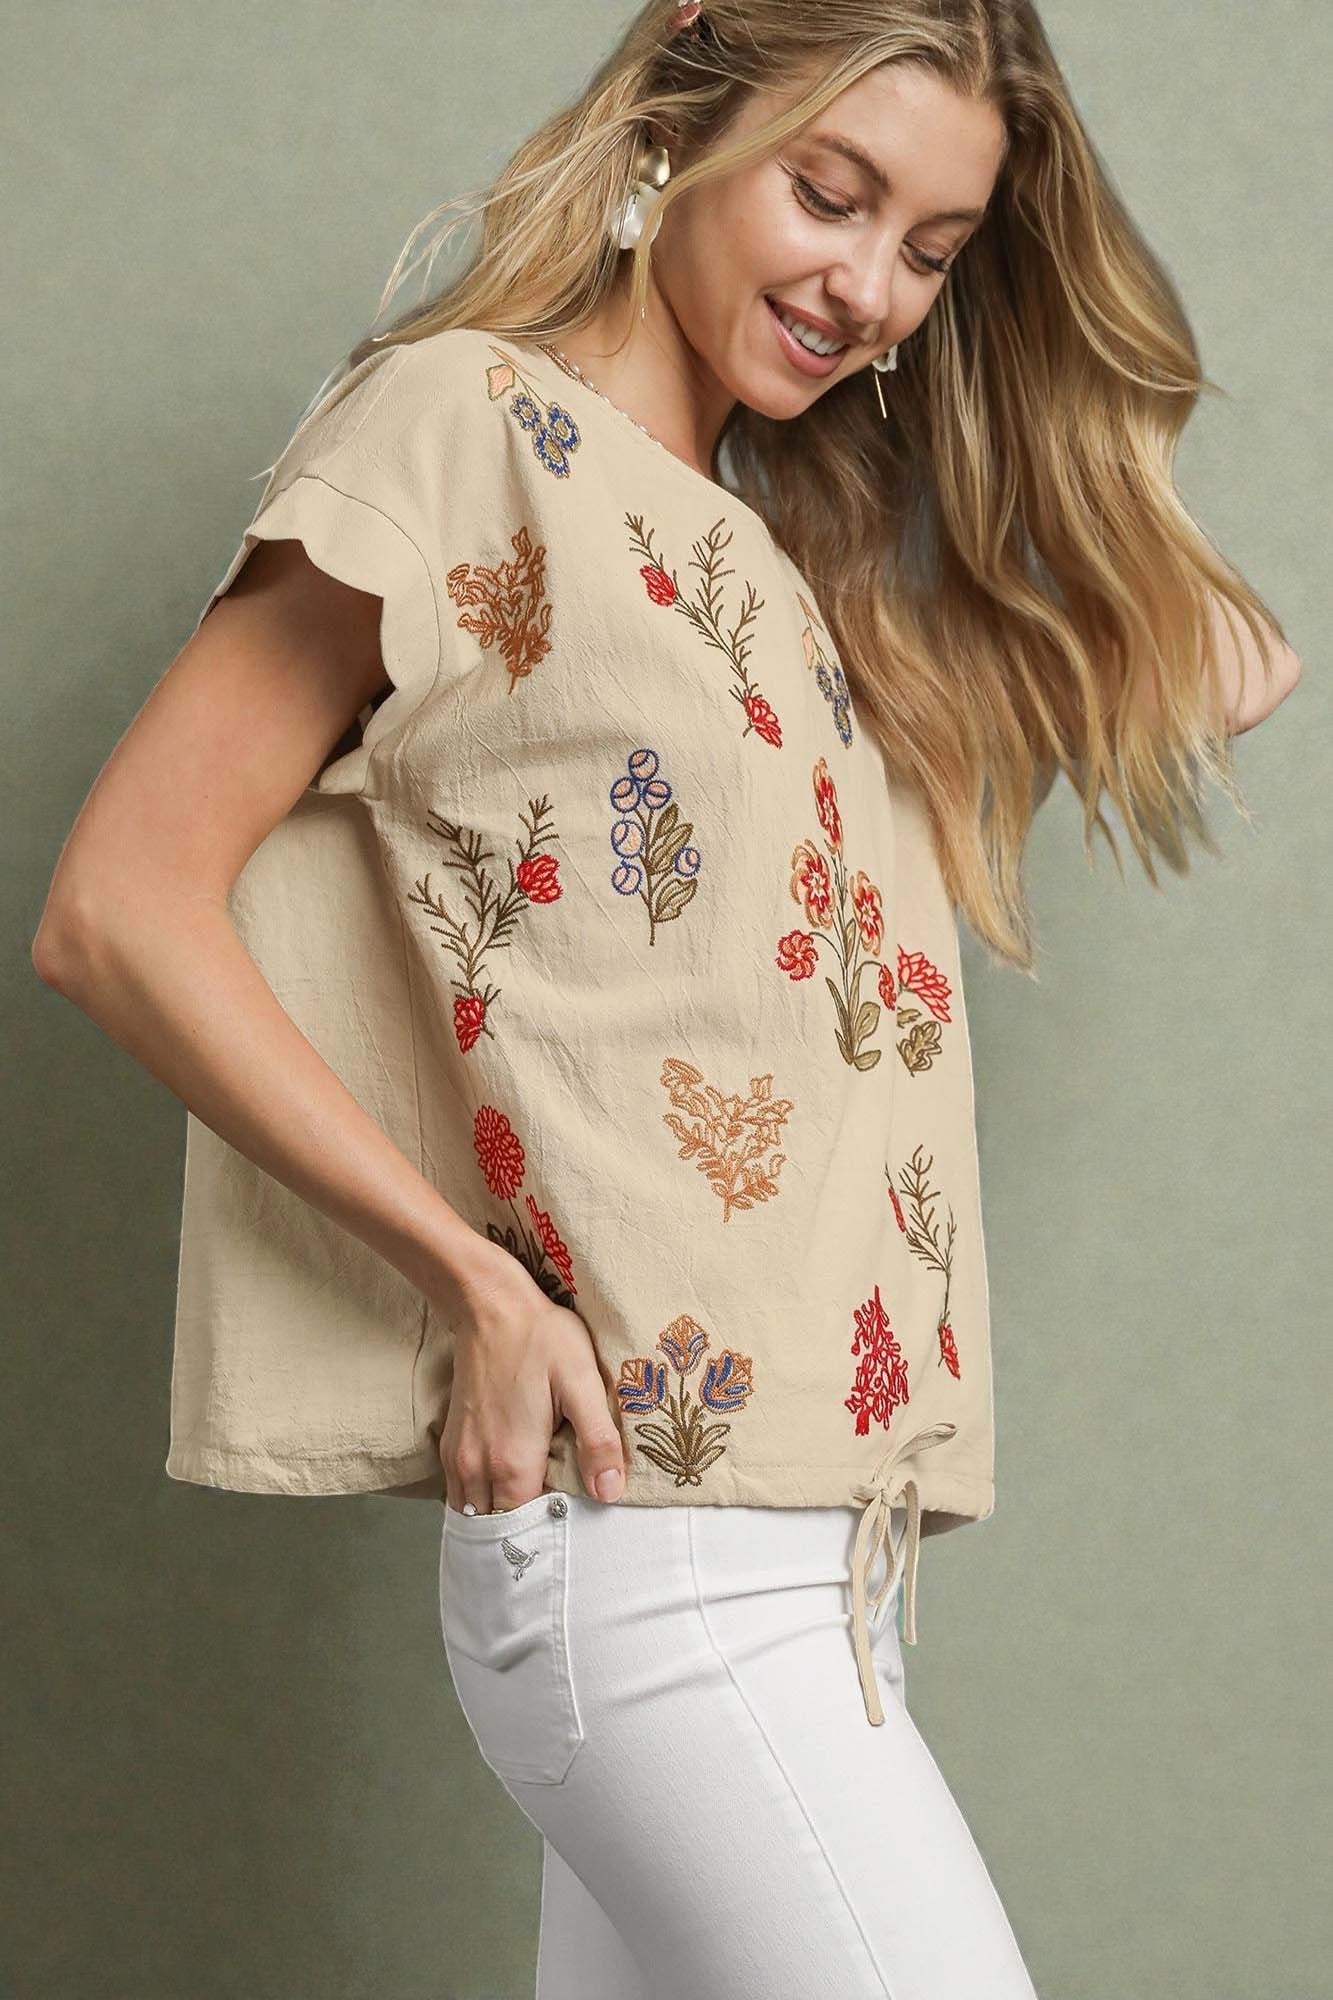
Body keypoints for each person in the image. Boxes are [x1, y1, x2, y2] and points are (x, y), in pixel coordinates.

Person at [31, 2, 1301, 1994]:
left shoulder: (790, 576)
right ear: (684, 109)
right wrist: (472, 1280)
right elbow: (116, 904)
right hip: (663, 1556)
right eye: (831, 189)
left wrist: (993, 361)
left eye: (933, 250)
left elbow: (1227, 655)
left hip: (833, 1563)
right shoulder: (461, 430)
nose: (867, 285)